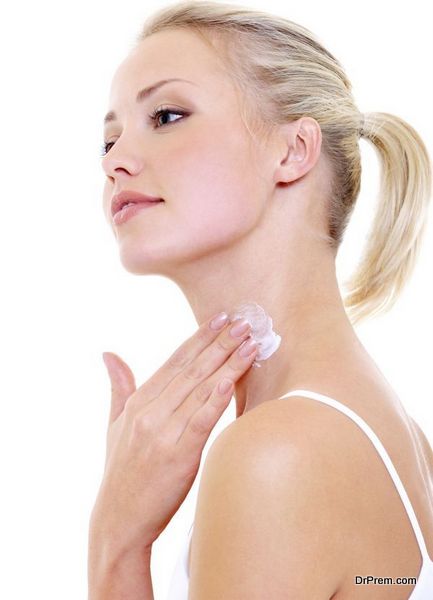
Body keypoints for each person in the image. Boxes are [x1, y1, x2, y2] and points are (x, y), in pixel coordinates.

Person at [88, 1, 433, 598]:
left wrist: (117, 541)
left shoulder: (279, 454)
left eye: (166, 115)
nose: (115, 161)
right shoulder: (399, 436)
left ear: (294, 151)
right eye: (109, 140)